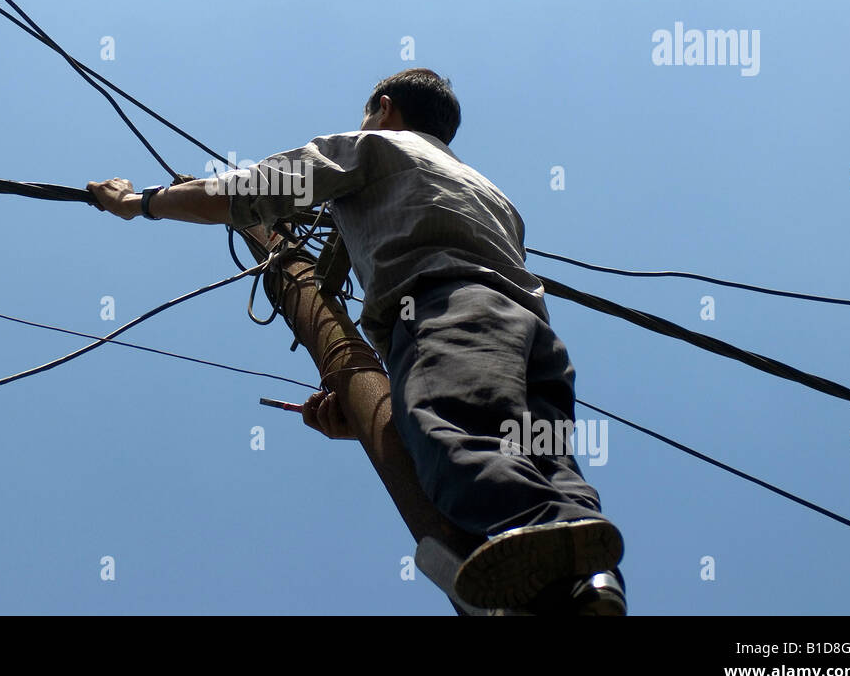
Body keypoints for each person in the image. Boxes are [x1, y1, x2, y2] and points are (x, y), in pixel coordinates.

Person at [87, 67, 625, 614]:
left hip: (444, 309)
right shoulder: (491, 193)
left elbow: (247, 194)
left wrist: (137, 203)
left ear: (384, 108)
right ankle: (590, 580)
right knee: (544, 461)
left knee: (455, 441)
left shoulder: (370, 148)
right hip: (531, 333)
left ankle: (539, 568)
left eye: (367, 113)